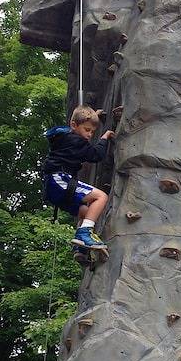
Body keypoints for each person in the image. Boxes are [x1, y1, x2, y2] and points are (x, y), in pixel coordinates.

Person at [42, 105, 115, 252]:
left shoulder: (63, 136)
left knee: (86, 212)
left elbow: (81, 124)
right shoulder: (76, 141)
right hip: (60, 179)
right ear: (74, 125)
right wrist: (104, 137)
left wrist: (94, 115)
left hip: (53, 186)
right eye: (87, 130)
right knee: (101, 197)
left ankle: (80, 249)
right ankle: (84, 233)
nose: (89, 135)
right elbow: (96, 155)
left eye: (93, 132)